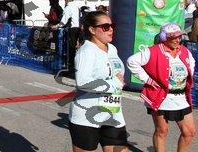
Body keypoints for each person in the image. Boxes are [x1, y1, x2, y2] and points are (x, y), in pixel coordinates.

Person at [127, 23, 196, 152]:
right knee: (162, 130)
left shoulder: (184, 51)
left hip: (181, 98)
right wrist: (147, 79)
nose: (177, 40)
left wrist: (185, 77)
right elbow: (132, 61)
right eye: (173, 37)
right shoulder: (153, 51)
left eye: (179, 37)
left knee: (189, 132)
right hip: (161, 97)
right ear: (164, 37)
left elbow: (191, 64)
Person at [68, 11, 128, 152]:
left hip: (112, 113)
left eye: (112, 25)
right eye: (105, 26)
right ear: (92, 30)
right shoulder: (87, 51)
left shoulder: (112, 49)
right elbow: (83, 82)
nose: (111, 29)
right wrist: (114, 84)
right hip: (87, 115)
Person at [61, 0, 81, 73]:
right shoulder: (76, 7)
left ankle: (69, 68)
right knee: (73, 48)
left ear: (67, 0)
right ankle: (73, 66)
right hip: (77, 29)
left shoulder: (68, 7)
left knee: (70, 49)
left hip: (71, 29)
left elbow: (64, 20)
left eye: (65, 0)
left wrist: (57, 26)